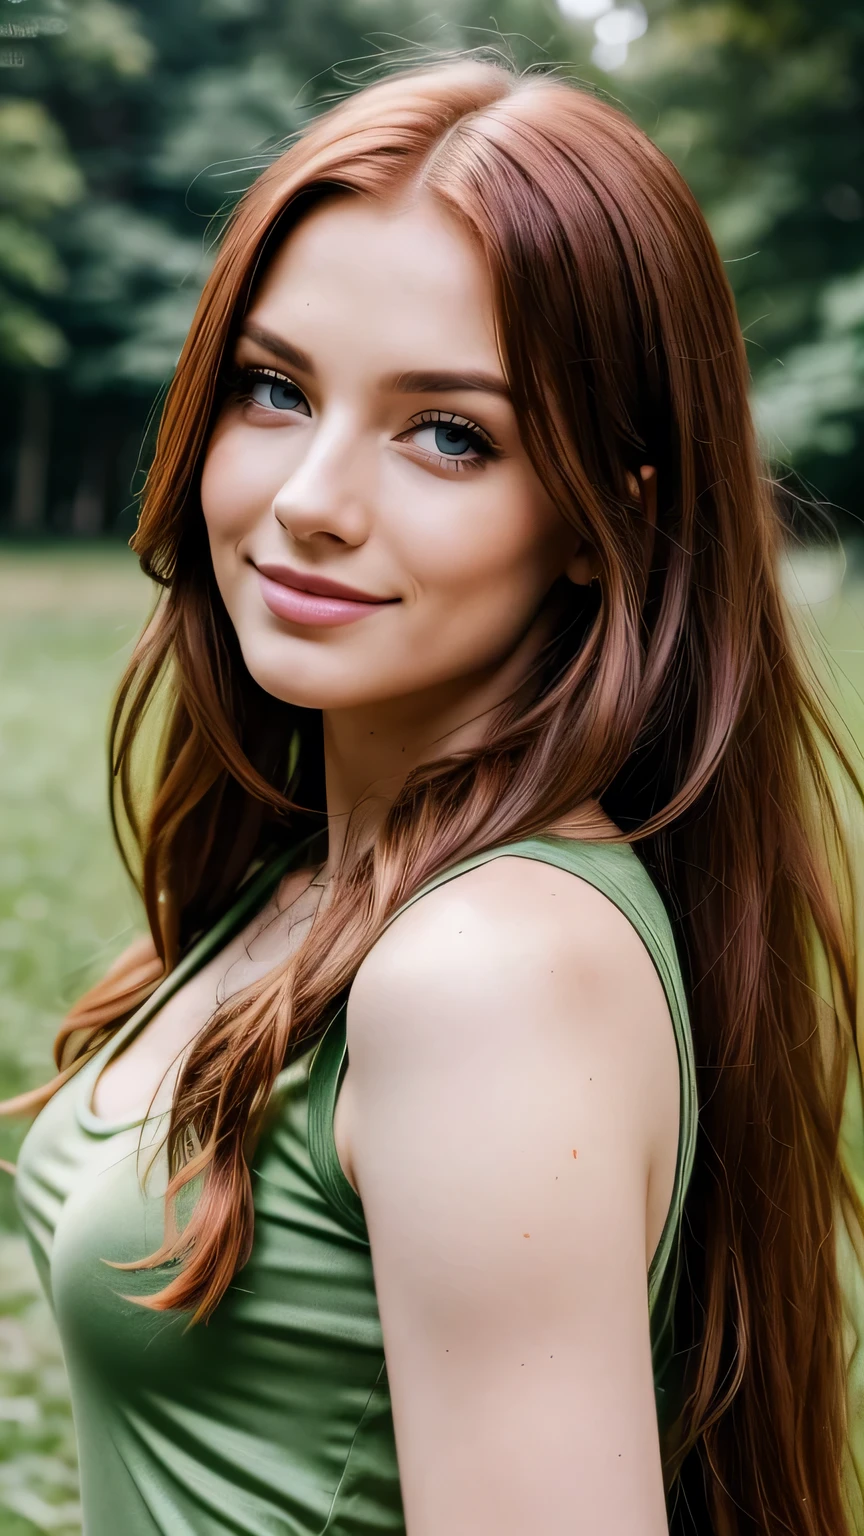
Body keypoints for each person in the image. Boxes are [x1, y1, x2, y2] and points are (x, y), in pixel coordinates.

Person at [5, 55, 864, 1536]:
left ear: (609, 519)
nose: (312, 498)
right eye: (275, 390)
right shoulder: (329, 876)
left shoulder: (484, 976)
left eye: (449, 433)